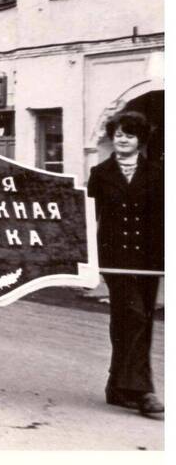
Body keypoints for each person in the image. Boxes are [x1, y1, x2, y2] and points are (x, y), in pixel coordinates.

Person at [86, 111, 164, 418]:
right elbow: (87, 217)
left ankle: (117, 387)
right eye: (118, 134)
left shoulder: (158, 173)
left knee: (134, 319)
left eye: (129, 135)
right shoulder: (100, 173)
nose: (122, 139)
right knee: (133, 315)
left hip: (149, 260)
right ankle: (142, 390)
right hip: (115, 259)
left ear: (140, 140)